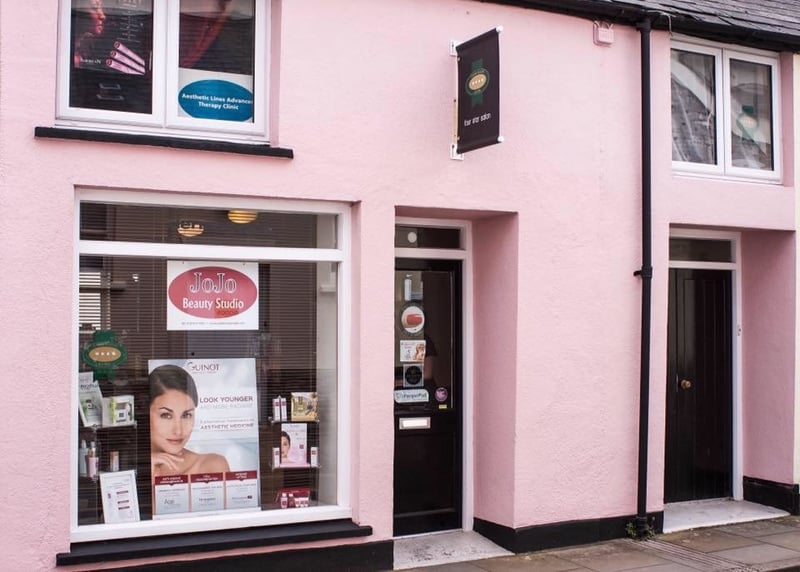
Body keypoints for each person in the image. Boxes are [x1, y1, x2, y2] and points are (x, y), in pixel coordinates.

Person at [149, 364, 230, 478]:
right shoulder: (130, 463)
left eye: (186, 415)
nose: (178, 431)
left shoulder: (211, 466)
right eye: (166, 415)